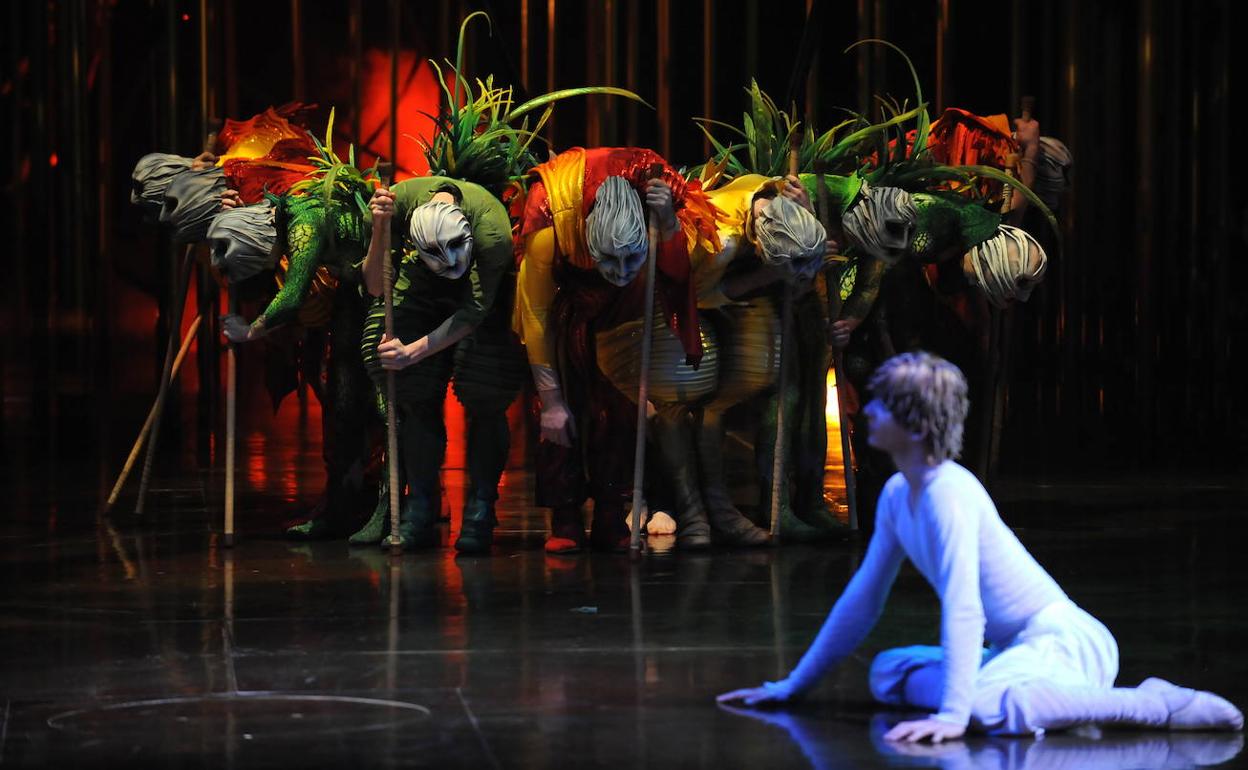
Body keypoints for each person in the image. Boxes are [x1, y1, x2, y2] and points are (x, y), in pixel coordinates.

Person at [718, 351, 1243, 740]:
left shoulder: (949, 493)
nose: (866, 410)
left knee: (979, 707)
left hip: (1064, 642)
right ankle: (1030, 695)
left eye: (881, 403)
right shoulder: (899, 493)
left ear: (915, 423)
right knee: (888, 672)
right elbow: (863, 599)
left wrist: (953, 715)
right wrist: (793, 685)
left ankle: (1151, 704)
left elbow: (964, 605)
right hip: (1011, 649)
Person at [355, 176, 525, 553]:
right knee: (412, 389)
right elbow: (375, 287)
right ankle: (420, 506)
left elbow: (474, 311)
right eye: (437, 252)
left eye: (455, 248)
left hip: (485, 290)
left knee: (486, 385)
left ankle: (481, 507)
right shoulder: (395, 206)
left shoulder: (492, 233)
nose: (449, 260)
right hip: (420, 281)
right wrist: (381, 228)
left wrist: (412, 351)